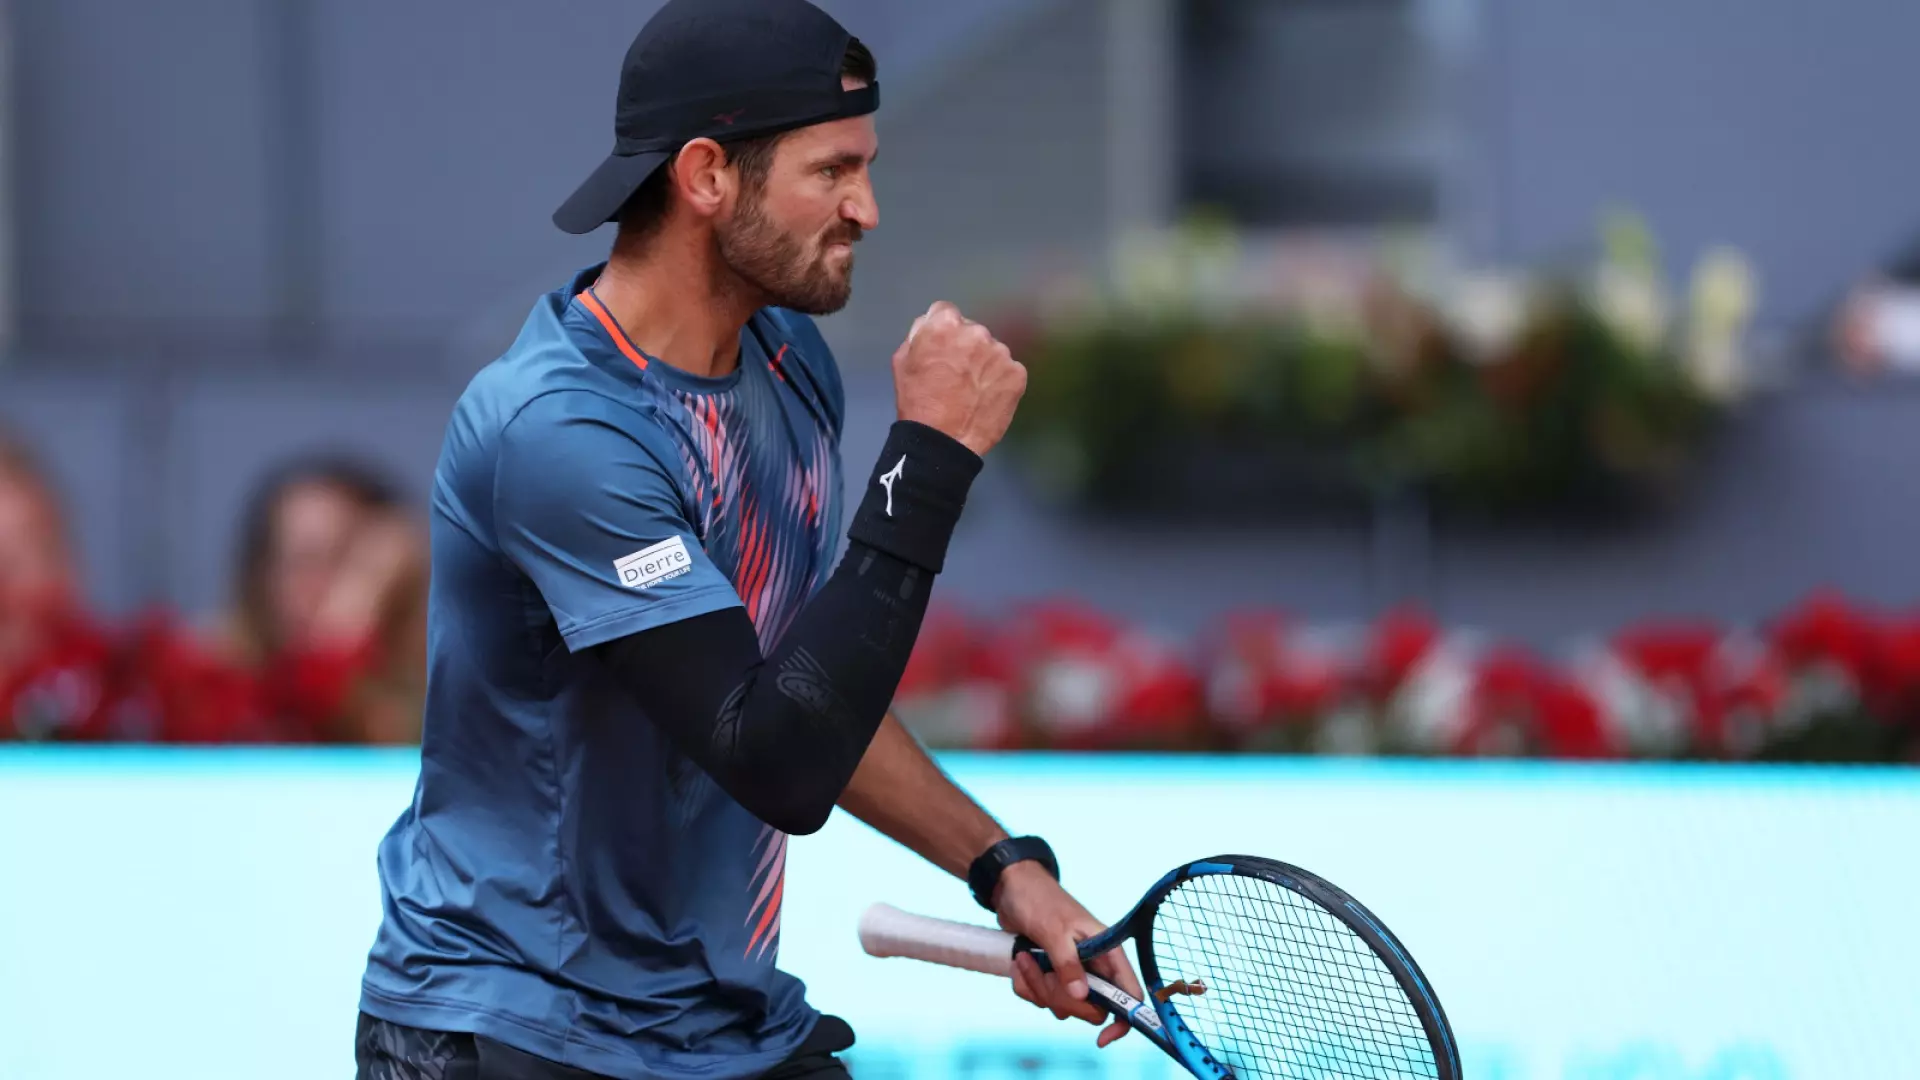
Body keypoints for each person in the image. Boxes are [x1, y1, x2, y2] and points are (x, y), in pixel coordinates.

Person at [355, 2, 1143, 1079]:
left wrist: (1004, 869)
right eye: (832, 172)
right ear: (707, 176)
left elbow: (802, 690)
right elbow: (773, 761)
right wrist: (931, 463)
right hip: (514, 1027)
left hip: (719, 1029)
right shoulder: (561, 429)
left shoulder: (789, 365)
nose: (868, 208)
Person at [215, 455, 428, 744]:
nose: (342, 589)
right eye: (307, 560)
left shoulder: (439, 704)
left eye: (353, 563)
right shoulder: (210, 689)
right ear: (261, 578)